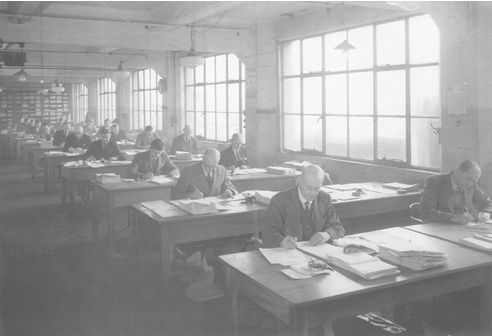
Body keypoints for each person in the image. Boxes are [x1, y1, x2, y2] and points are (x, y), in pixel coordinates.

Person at [263, 164, 345, 248]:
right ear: (299, 181)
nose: (313, 193)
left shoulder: (325, 198)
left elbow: (338, 227)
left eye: (317, 188)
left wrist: (327, 234)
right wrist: (282, 242)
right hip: (291, 254)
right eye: (308, 188)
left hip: (318, 252)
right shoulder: (279, 200)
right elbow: (268, 234)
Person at [419, 159, 492, 224]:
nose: (470, 184)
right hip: (441, 229)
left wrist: (486, 212)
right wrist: (453, 217)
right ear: (458, 172)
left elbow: (487, 202)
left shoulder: (472, 185)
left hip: (465, 229)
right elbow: (426, 212)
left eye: (474, 181)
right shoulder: (435, 182)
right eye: (468, 179)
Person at [171, 148, 237, 200]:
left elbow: (232, 187)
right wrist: (191, 196)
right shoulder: (188, 172)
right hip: (195, 211)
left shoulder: (222, 170)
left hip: (217, 210)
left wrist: (229, 191)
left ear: (218, 162)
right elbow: (175, 195)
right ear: (203, 159)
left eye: (213, 167)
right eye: (207, 166)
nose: (209, 169)